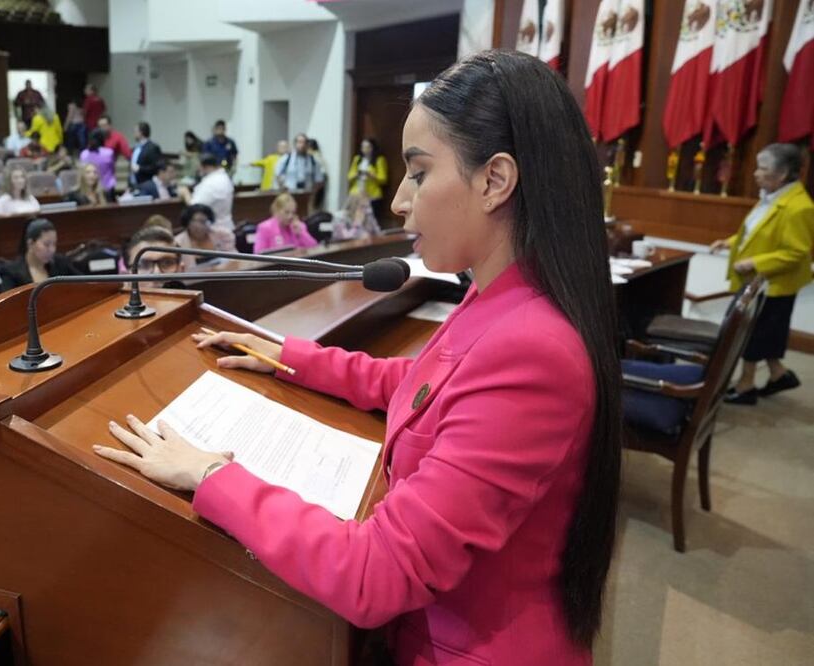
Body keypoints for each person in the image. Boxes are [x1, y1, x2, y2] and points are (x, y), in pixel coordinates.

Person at [94, 51, 622, 666]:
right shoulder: (503, 294)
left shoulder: (534, 348)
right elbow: (431, 385)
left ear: (495, 180)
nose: (399, 200)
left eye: (419, 174)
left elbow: (377, 574)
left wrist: (211, 475)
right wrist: (292, 357)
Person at [709, 143, 814, 404]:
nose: (756, 173)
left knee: (754, 334)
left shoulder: (799, 207)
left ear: (783, 174)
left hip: (774, 284)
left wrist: (755, 262)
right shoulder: (772, 197)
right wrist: (731, 242)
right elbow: (757, 232)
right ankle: (779, 375)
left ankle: (746, 386)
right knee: (763, 334)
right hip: (760, 281)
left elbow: (796, 252)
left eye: (763, 168)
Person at [2, 218, 77, 289]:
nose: (52, 250)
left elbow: (85, 283)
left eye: (54, 244)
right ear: (30, 243)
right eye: (46, 244)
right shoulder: (11, 272)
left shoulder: (60, 263)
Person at [179, 154, 234, 231]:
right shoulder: (224, 177)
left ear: (206, 167)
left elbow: (195, 208)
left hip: (213, 229)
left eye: (199, 167)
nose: (197, 170)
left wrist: (185, 193)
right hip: (224, 225)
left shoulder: (211, 183)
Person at [174, 203, 235, 269]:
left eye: (205, 221)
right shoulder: (178, 242)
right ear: (188, 222)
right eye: (199, 221)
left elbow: (234, 259)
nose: (202, 226)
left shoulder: (222, 234)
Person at [253, 192, 317, 254]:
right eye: (287, 212)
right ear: (276, 210)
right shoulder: (264, 228)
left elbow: (314, 247)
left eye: (293, 212)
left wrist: (301, 234)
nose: (290, 216)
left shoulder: (299, 226)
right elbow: (258, 254)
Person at [348, 137, 389, 216]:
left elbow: (383, 179)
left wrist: (372, 175)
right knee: (355, 217)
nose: (365, 149)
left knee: (370, 218)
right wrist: (356, 174)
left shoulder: (379, 160)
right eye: (363, 147)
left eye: (368, 147)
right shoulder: (357, 159)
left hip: (372, 194)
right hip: (357, 192)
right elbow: (350, 176)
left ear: (373, 148)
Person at [80, 130, 117, 200]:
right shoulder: (109, 153)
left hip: (91, 188)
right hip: (108, 187)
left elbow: (82, 172)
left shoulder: (84, 154)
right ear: (103, 139)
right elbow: (112, 170)